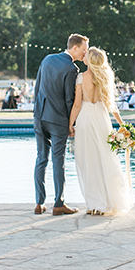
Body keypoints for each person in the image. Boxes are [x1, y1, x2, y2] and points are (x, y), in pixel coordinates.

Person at [69, 47, 134, 215]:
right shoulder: (105, 78)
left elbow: (77, 105)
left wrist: (70, 124)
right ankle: (107, 202)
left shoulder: (81, 77)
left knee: (88, 162)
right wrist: (122, 124)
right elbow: (111, 106)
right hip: (101, 119)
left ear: (89, 60)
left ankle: (94, 204)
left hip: (85, 119)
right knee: (105, 158)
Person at [33, 33, 89, 216]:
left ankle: (39, 203)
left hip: (39, 116)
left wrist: (37, 113)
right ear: (74, 48)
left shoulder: (47, 59)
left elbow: (37, 87)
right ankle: (59, 203)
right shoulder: (71, 69)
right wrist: (70, 125)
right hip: (57, 120)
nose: (85, 53)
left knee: (41, 158)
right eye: (83, 49)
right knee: (59, 161)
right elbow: (69, 100)